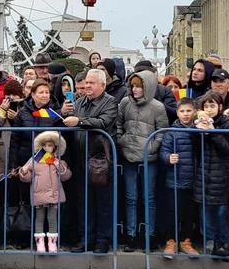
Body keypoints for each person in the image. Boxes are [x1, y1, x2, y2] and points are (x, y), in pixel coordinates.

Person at [64, 69, 118, 254]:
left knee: (103, 202)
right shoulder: (79, 102)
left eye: (91, 83)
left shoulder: (110, 102)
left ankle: (103, 240)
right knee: (84, 202)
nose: (87, 86)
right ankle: (86, 238)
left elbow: (103, 122)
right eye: (86, 83)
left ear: (102, 85)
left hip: (100, 159)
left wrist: (78, 121)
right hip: (81, 158)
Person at [116, 70, 169, 252]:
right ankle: (131, 236)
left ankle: (149, 235)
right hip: (129, 155)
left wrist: (151, 148)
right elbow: (118, 125)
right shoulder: (124, 103)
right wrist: (121, 141)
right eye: (133, 85)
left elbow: (162, 131)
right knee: (131, 198)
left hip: (149, 158)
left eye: (139, 86)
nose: (135, 89)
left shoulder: (158, 107)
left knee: (149, 198)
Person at [193, 92, 229, 258]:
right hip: (205, 172)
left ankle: (224, 241)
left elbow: (228, 148)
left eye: (212, 106)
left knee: (222, 211)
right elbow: (195, 146)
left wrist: (213, 132)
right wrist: (198, 131)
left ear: (220, 107)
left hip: (223, 174)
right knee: (206, 209)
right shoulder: (199, 122)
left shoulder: (227, 124)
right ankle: (209, 240)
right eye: (206, 106)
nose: (209, 110)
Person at [19, 131, 72, 254]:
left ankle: (52, 244)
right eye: (44, 145)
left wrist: (60, 167)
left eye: (49, 145)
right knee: (39, 219)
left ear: (55, 147)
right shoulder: (34, 160)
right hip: (39, 196)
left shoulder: (58, 161)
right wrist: (24, 171)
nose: (47, 148)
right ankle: (40, 244)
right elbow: (27, 178)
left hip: (53, 196)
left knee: (52, 219)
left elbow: (66, 176)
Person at [159, 98, 199, 258]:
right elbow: (163, 151)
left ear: (194, 111)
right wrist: (168, 158)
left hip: (195, 180)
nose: (186, 114)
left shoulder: (199, 129)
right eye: (182, 111)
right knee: (173, 212)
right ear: (177, 113)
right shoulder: (171, 132)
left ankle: (186, 241)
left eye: (189, 111)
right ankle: (171, 241)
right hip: (175, 179)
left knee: (190, 214)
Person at [9, 80, 64, 169]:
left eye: (47, 92)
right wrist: (13, 165)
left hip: (48, 162)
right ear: (33, 94)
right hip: (25, 161)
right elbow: (15, 140)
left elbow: (63, 139)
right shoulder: (23, 112)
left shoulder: (56, 113)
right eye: (41, 92)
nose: (45, 95)